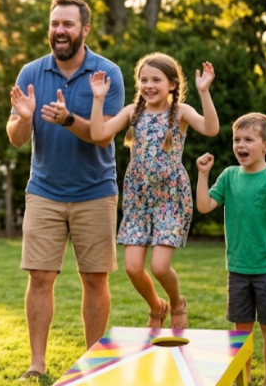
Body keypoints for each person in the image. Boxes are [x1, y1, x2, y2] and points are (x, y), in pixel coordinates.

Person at [6, 0, 125, 379]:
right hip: (44, 190)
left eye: (68, 24)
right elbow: (16, 138)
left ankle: (93, 360)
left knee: (94, 278)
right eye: (55, 23)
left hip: (95, 190)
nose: (59, 30)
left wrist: (69, 119)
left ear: (85, 30)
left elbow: (103, 137)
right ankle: (37, 365)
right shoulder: (31, 72)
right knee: (39, 276)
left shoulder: (107, 74)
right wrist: (25, 119)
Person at [88, 53, 219, 329]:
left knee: (159, 267)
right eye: (143, 80)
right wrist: (98, 99)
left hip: (170, 199)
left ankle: (176, 301)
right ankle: (156, 306)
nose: (148, 85)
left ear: (172, 84)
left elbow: (211, 128)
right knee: (133, 268)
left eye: (156, 80)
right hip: (138, 199)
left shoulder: (181, 112)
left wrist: (204, 92)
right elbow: (98, 134)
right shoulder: (131, 113)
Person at [196, 113, 266, 386]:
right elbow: (204, 206)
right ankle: (243, 380)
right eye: (236, 139)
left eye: (248, 140)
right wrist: (203, 175)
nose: (240, 145)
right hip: (238, 267)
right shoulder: (229, 176)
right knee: (241, 329)